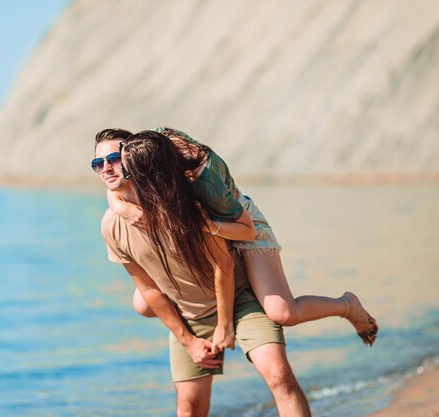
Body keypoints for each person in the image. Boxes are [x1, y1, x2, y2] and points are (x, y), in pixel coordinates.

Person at [93, 129, 311, 417]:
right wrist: (189, 341)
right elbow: (148, 289)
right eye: (98, 164)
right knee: (189, 408)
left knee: (278, 375)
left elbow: (224, 263)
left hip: (239, 296)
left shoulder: (183, 200)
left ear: (134, 158)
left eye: (113, 158)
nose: (106, 168)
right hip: (189, 312)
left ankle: (346, 307)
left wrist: (224, 324)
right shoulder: (112, 225)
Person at [108, 127, 379, 347]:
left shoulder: (204, 183)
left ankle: (347, 305)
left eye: (131, 172)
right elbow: (113, 188)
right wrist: (120, 206)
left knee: (282, 312)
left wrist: (207, 226)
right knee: (142, 303)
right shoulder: (152, 150)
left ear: (154, 174)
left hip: (237, 223)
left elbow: (246, 229)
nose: (124, 175)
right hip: (204, 224)